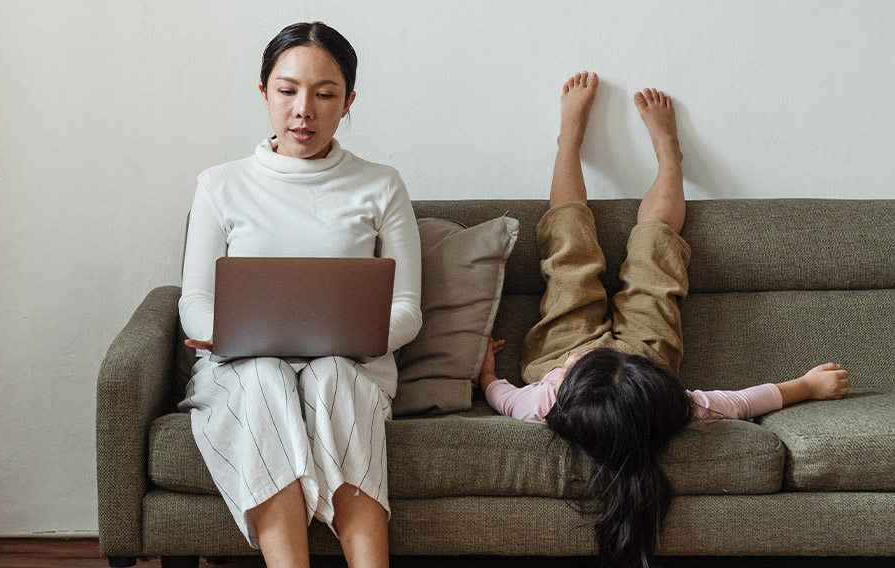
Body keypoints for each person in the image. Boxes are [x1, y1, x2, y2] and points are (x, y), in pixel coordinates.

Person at [479, 71, 850, 568]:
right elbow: (742, 402)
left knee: (568, 251)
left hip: (557, 355)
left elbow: (503, 400)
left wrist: (486, 372)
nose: (598, 351)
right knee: (656, 251)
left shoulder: (545, 401)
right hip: (645, 357)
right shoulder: (673, 404)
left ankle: (568, 141)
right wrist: (805, 385)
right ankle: (670, 157)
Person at [177, 22, 422, 568]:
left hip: (351, 366)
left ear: (349, 100)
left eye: (325, 94)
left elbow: (407, 309)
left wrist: (357, 338)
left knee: (331, 373)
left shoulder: (381, 184)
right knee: (265, 376)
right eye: (287, 91)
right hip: (242, 369)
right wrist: (233, 334)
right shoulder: (220, 184)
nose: (303, 109)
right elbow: (194, 301)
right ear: (264, 93)